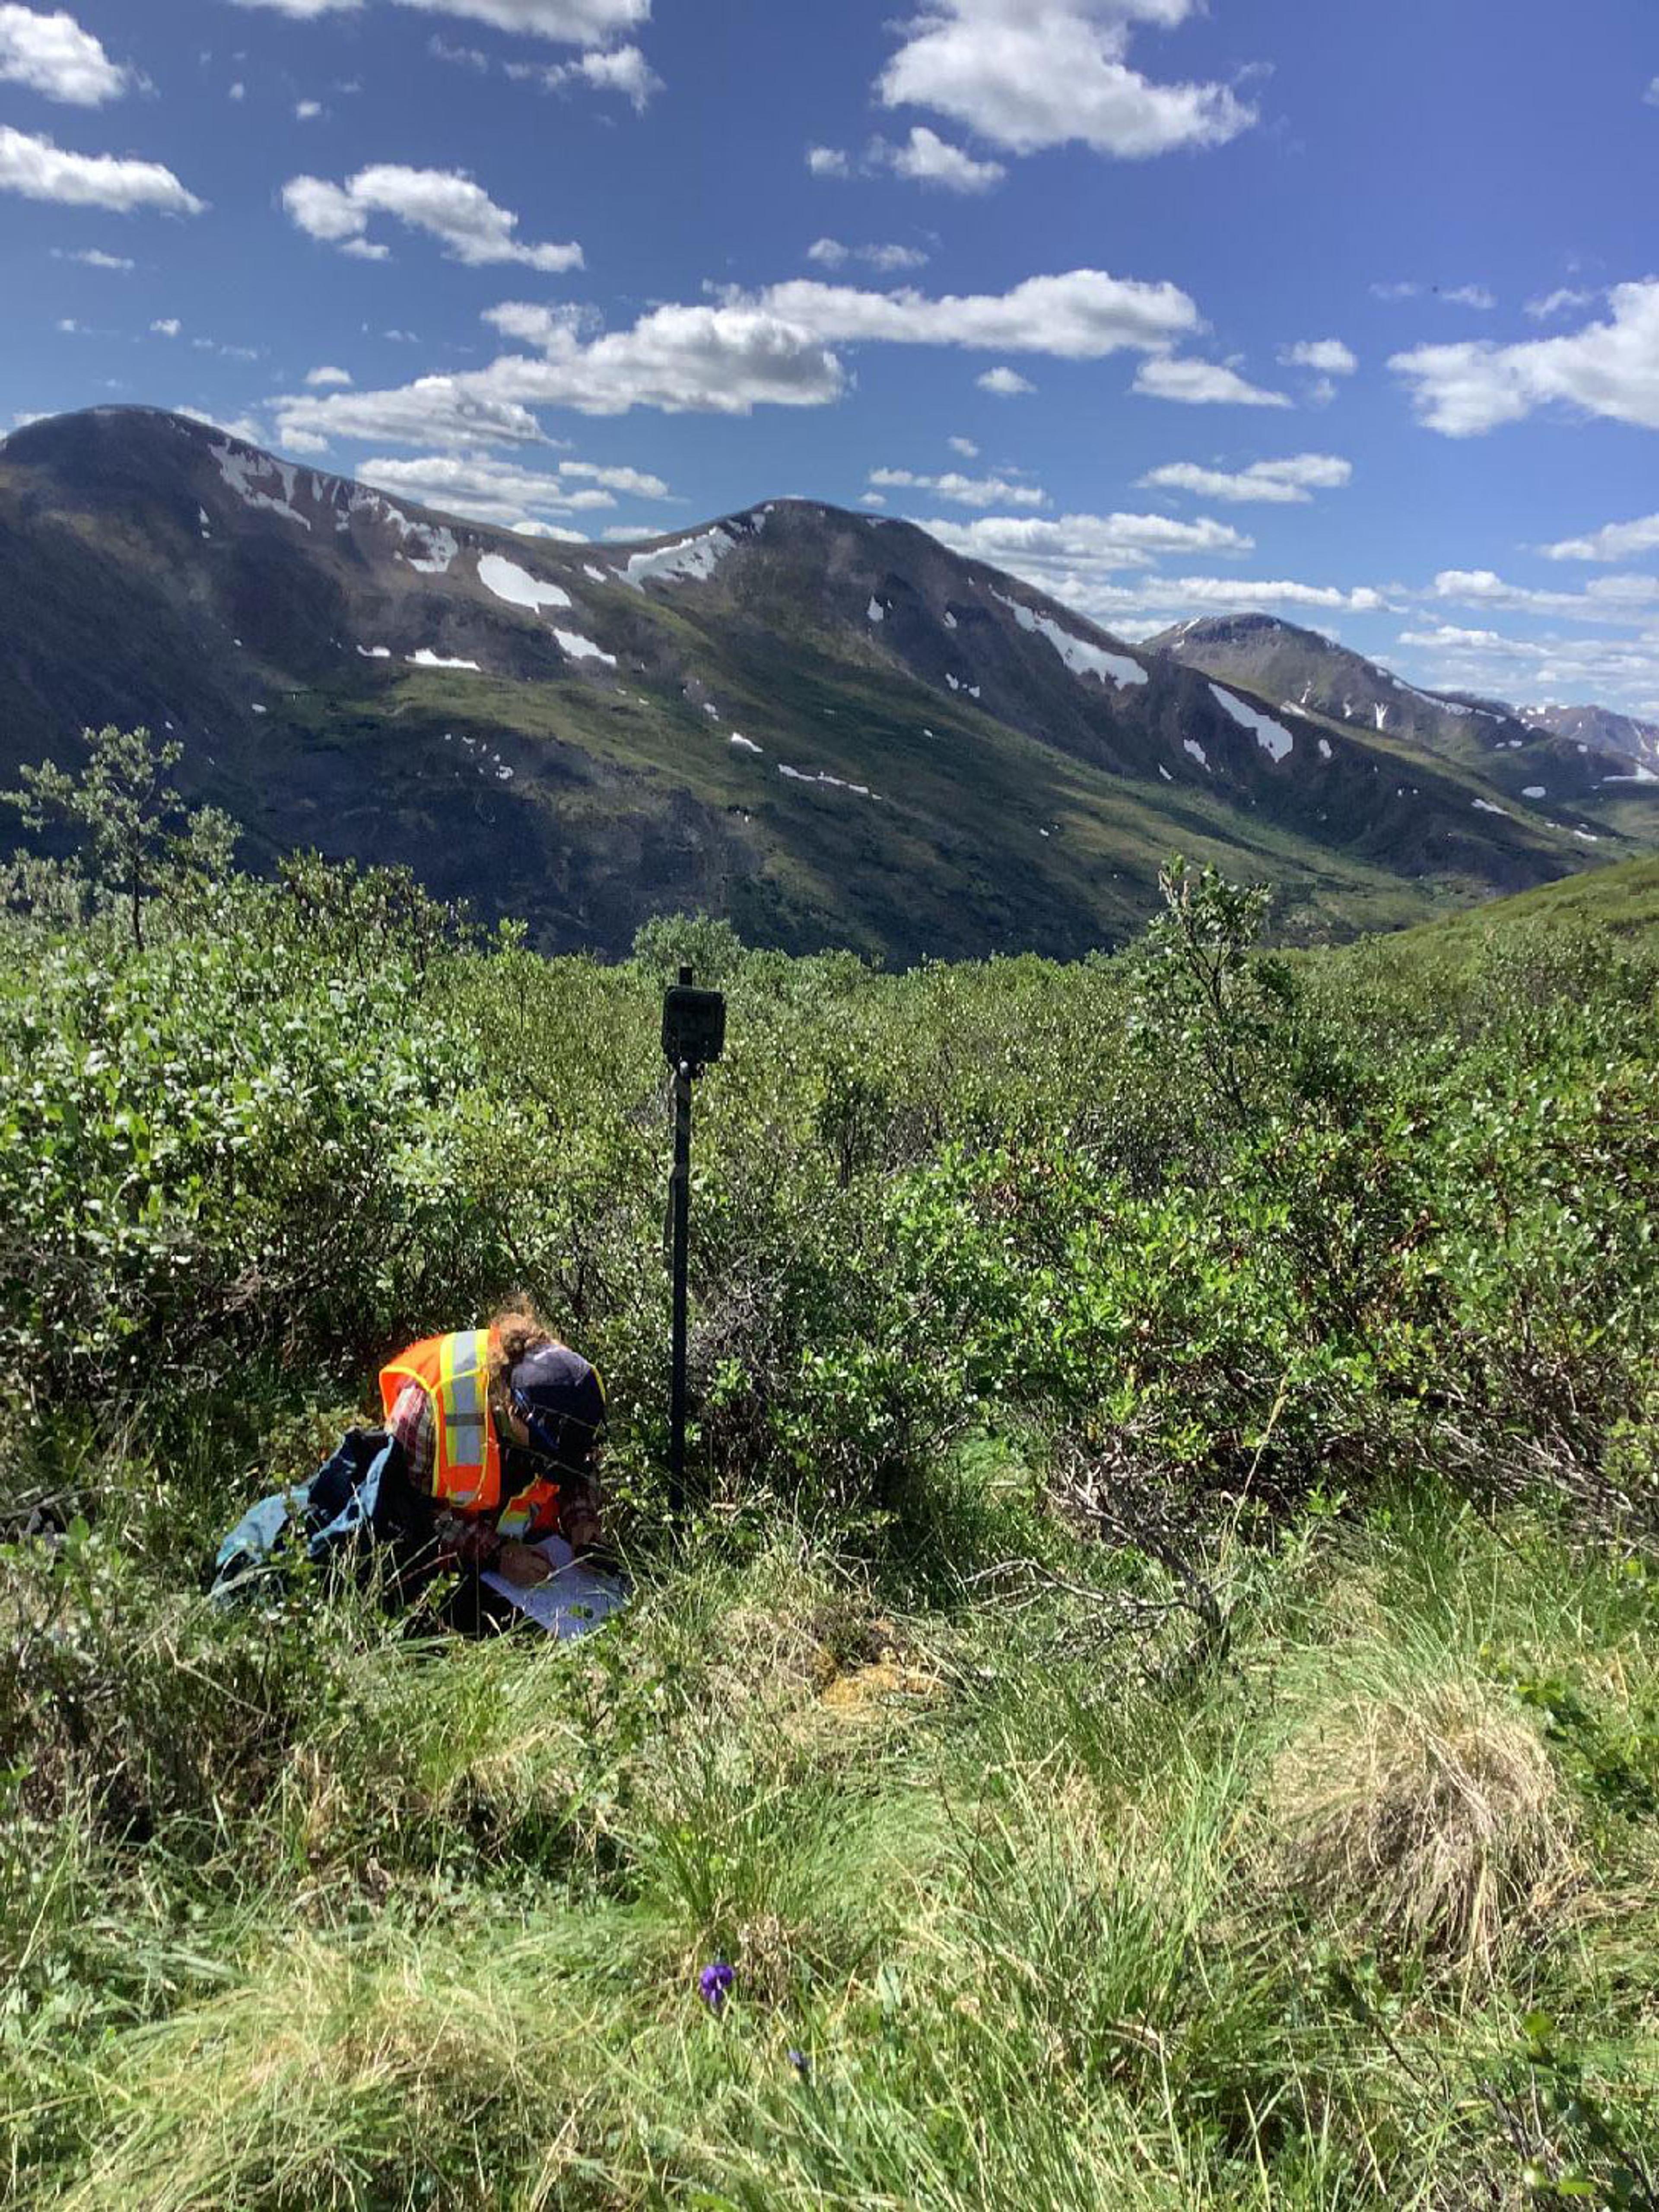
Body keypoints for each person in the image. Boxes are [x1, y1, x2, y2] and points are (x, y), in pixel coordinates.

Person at [379, 1297, 610, 1601]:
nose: (557, 1463)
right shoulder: (429, 1406)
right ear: (515, 1412)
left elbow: (576, 1468)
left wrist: (582, 1521)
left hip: (532, 1564)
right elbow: (411, 1514)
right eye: (551, 1455)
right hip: (438, 1572)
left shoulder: (571, 1386)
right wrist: (498, 1553)